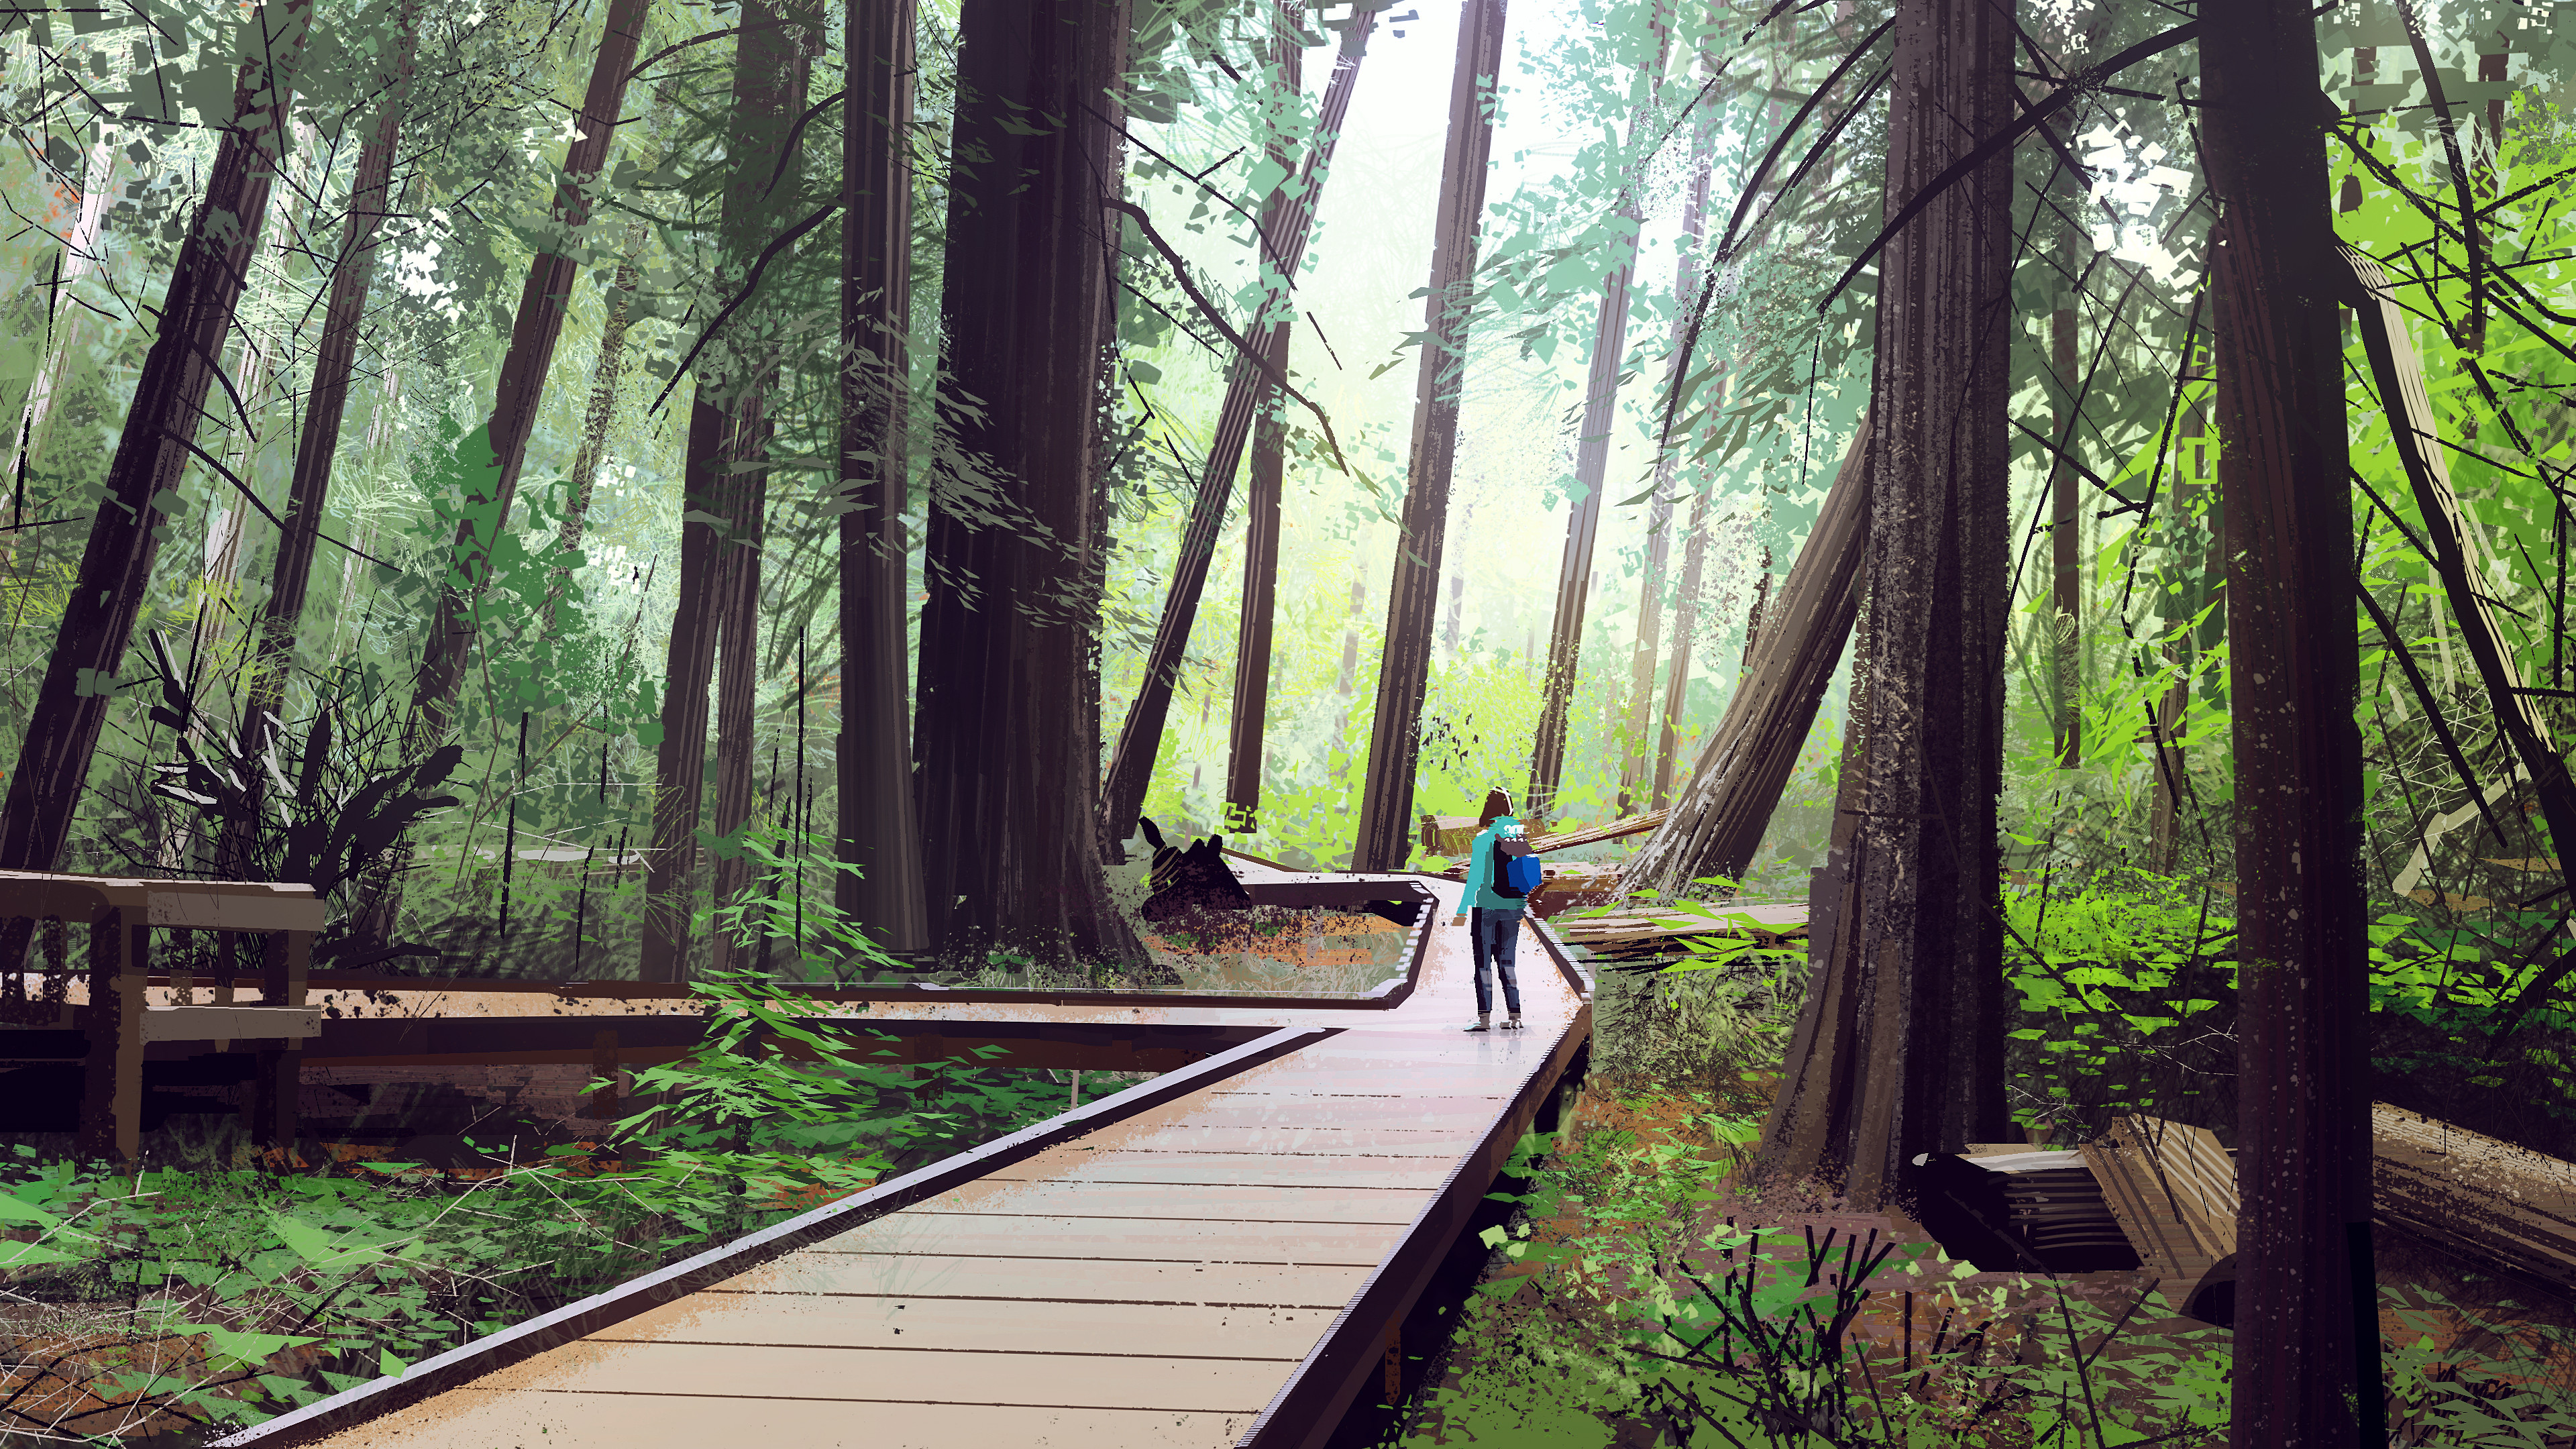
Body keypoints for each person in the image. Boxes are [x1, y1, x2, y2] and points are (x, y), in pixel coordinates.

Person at [1449, 788, 1526, 1032]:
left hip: (1487, 907)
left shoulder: (1483, 839)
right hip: (1514, 907)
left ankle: (1484, 1020)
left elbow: (1474, 879)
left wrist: (1462, 909)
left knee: (1483, 963)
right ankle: (1515, 1017)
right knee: (1508, 962)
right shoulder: (1518, 836)